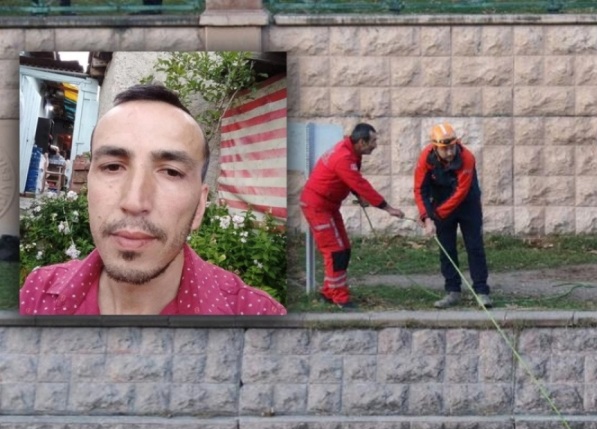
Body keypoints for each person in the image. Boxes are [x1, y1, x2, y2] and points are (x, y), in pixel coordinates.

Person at [19, 84, 286, 316]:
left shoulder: (259, 318)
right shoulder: (36, 294)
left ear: (200, 206)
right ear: (88, 186)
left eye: (171, 172)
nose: (135, 202)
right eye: (113, 167)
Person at [300, 123, 405, 310]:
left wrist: (359, 196)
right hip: (317, 207)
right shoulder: (343, 157)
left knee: (344, 249)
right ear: (361, 142)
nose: (375, 145)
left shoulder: (350, 151)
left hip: (328, 206)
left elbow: (349, 180)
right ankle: (340, 298)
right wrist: (387, 208)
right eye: (373, 141)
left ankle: (329, 291)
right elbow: (359, 182)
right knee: (335, 251)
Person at [414, 123, 492, 309]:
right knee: (446, 249)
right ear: (435, 148)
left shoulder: (467, 158)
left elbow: (460, 192)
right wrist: (426, 216)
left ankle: (481, 291)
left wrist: (435, 216)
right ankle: (452, 290)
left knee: (475, 247)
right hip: (440, 203)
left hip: (467, 204)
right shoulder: (426, 157)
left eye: (452, 147)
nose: (450, 152)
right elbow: (420, 189)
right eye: (444, 149)